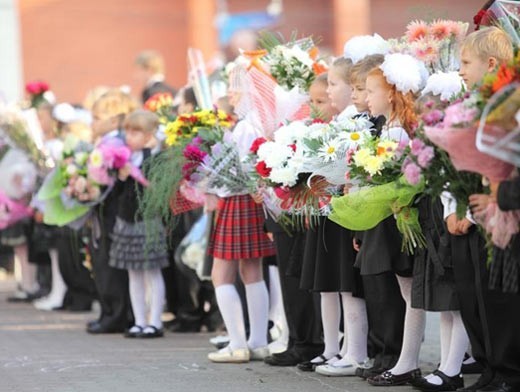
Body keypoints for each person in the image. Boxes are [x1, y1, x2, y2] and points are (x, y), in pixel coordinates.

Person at [357, 54, 426, 387]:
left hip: (397, 217)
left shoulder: (398, 132)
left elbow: (396, 179)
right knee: (404, 289)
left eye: (371, 91)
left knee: (409, 290)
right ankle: (403, 360)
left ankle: (407, 361)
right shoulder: (390, 128)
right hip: (389, 215)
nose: (367, 97)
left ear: (391, 92)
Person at [454, 27, 517, 392]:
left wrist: (498, 197)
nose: (460, 70)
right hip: (478, 211)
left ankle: (509, 372)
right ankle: (492, 366)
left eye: (465, 62)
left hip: (506, 213)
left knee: (502, 298)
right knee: (477, 296)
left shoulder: (508, 104)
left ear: (491, 63)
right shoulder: (474, 104)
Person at [299, 58, 368, 374]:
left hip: (346, 210)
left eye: (332, 85)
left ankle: (354, 351)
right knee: (328, 281)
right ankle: (333, 349)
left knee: (345, 283)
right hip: (330, 208)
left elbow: (350, 167)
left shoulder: (355, 122)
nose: (329, 90)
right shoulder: (339, 121)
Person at [206, 65, 276, 363]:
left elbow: (240, 169)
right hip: (250, 201)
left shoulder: (247, 125)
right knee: (252, 271)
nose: (230, 93)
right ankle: (257, 341)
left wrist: (208, 176)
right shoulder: (256, 121)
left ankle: (237, 343)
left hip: (237, 199)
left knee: (220, 274)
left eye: (236, 86)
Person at [264, 73, 334, 367]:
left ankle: (312, 341)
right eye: (312, 100)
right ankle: (297, 338)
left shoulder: (336, 132)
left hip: (315, 214)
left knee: (310, 281)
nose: (316, 107)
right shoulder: (298, 128)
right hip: (288, 212)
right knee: (290, 278)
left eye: (322, 100)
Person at [109, 109, 169, 338]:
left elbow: (156, 188)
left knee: (152, 271)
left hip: (147, 220)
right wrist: (121, 177)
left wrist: (140, 164)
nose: (129, 137)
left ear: (148, 135)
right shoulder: (124, 159)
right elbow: (116, 193)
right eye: (128, 132)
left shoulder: (154, 158)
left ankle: (155, 321)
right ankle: (139, 320)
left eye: (135, 132)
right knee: (133, 273)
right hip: (126, 220)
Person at [87, 89, 138, 334]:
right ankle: (109, 310)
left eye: (96, 117)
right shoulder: (105, 142)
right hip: (105, 206)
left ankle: (117, 313)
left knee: (113, 262)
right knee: (102, 261)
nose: (92, 123)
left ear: (112, 118)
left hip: (116, 207)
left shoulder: (117, 143)